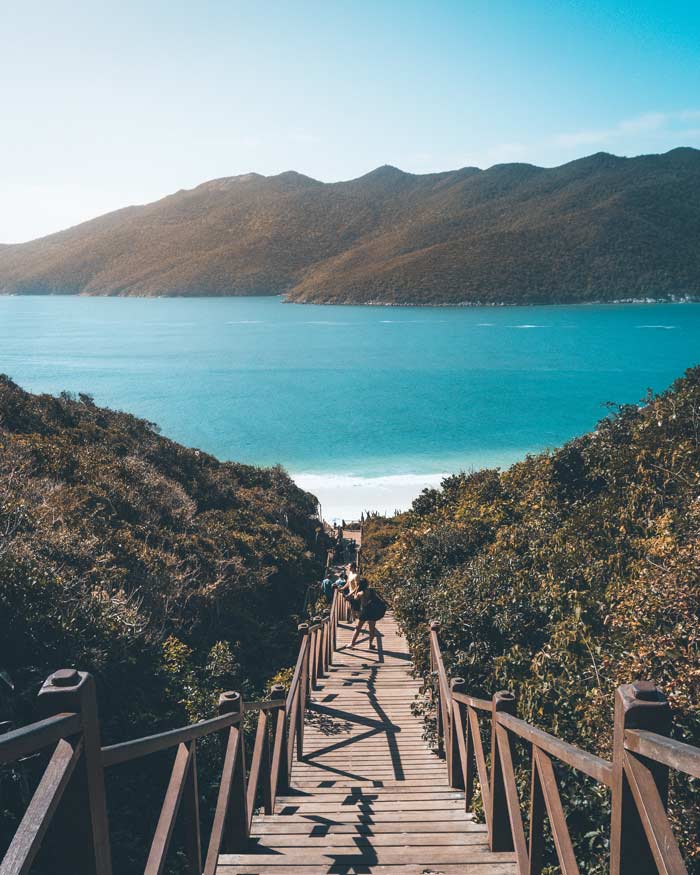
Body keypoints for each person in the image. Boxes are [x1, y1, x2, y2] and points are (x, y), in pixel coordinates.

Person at [350, 578, 387, 649]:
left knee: (358, 628)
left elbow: (355, 598)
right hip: (372, 611)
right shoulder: (371, 590)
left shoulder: (360, 593)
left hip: (365, 611)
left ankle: (352, 643)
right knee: (372, 629)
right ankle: (370, 644)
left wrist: (356, 590)